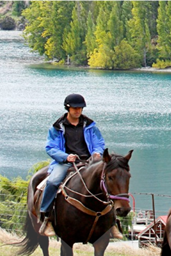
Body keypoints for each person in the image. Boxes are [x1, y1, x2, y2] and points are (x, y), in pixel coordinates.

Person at [38, 93, 119, 237]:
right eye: (75, 108)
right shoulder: (57, 127)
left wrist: (97, 153)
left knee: (107, 180)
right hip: (65, 162)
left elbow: (99, 143)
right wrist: (66, 156)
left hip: (89, 161)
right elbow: (50, 148)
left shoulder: (90, 126)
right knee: (53, 181)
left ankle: (113, 222)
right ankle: (47, 218)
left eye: (80, 108)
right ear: (67, 108)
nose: (78, 111)